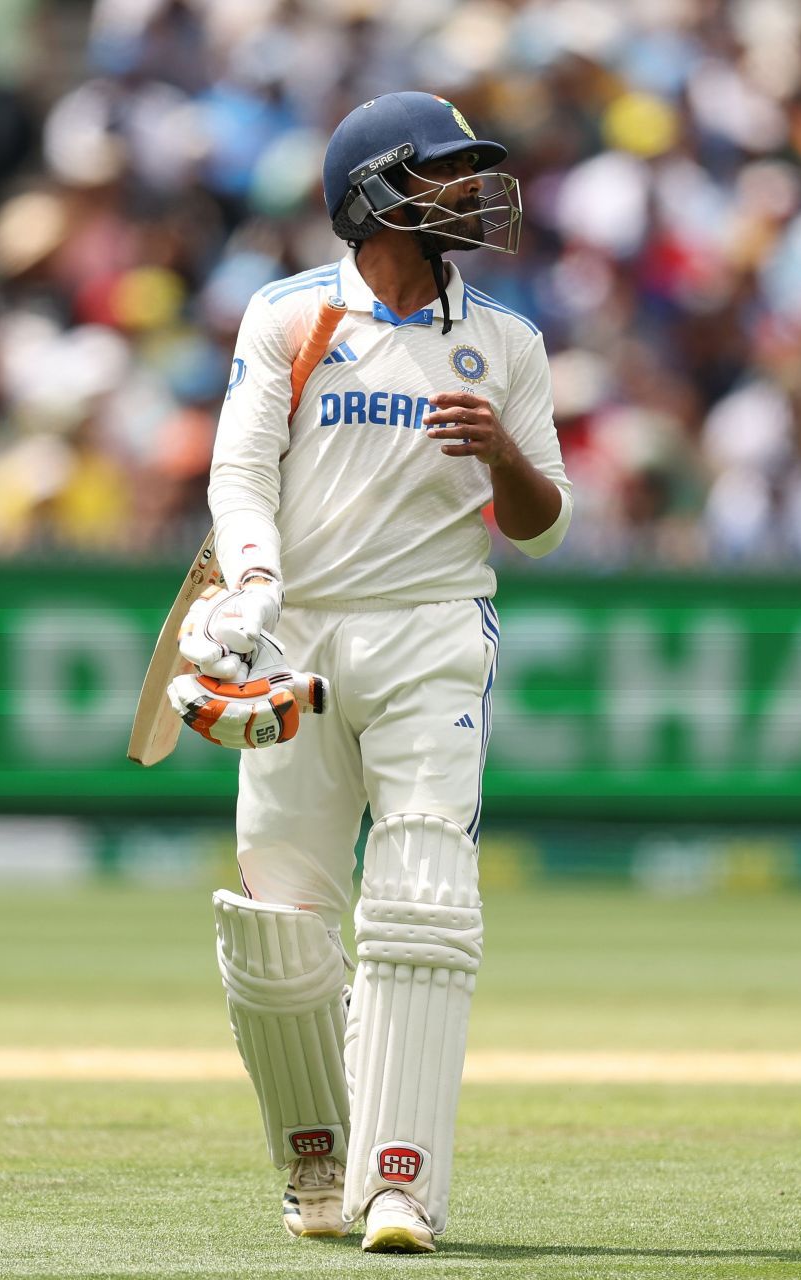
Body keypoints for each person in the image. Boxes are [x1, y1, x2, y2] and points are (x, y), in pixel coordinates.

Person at [174, 92, 572, 1252]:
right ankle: (316, 1149)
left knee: (420, 898)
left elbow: (542, 526)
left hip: (433, 630)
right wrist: (249, 585)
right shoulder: (289, 318)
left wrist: (500, 449)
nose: (471, 191)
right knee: (280, 928)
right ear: (374, 191)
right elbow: (241, 471)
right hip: (298, 633)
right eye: (446, 173)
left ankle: (399, 1180)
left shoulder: (508, 340)